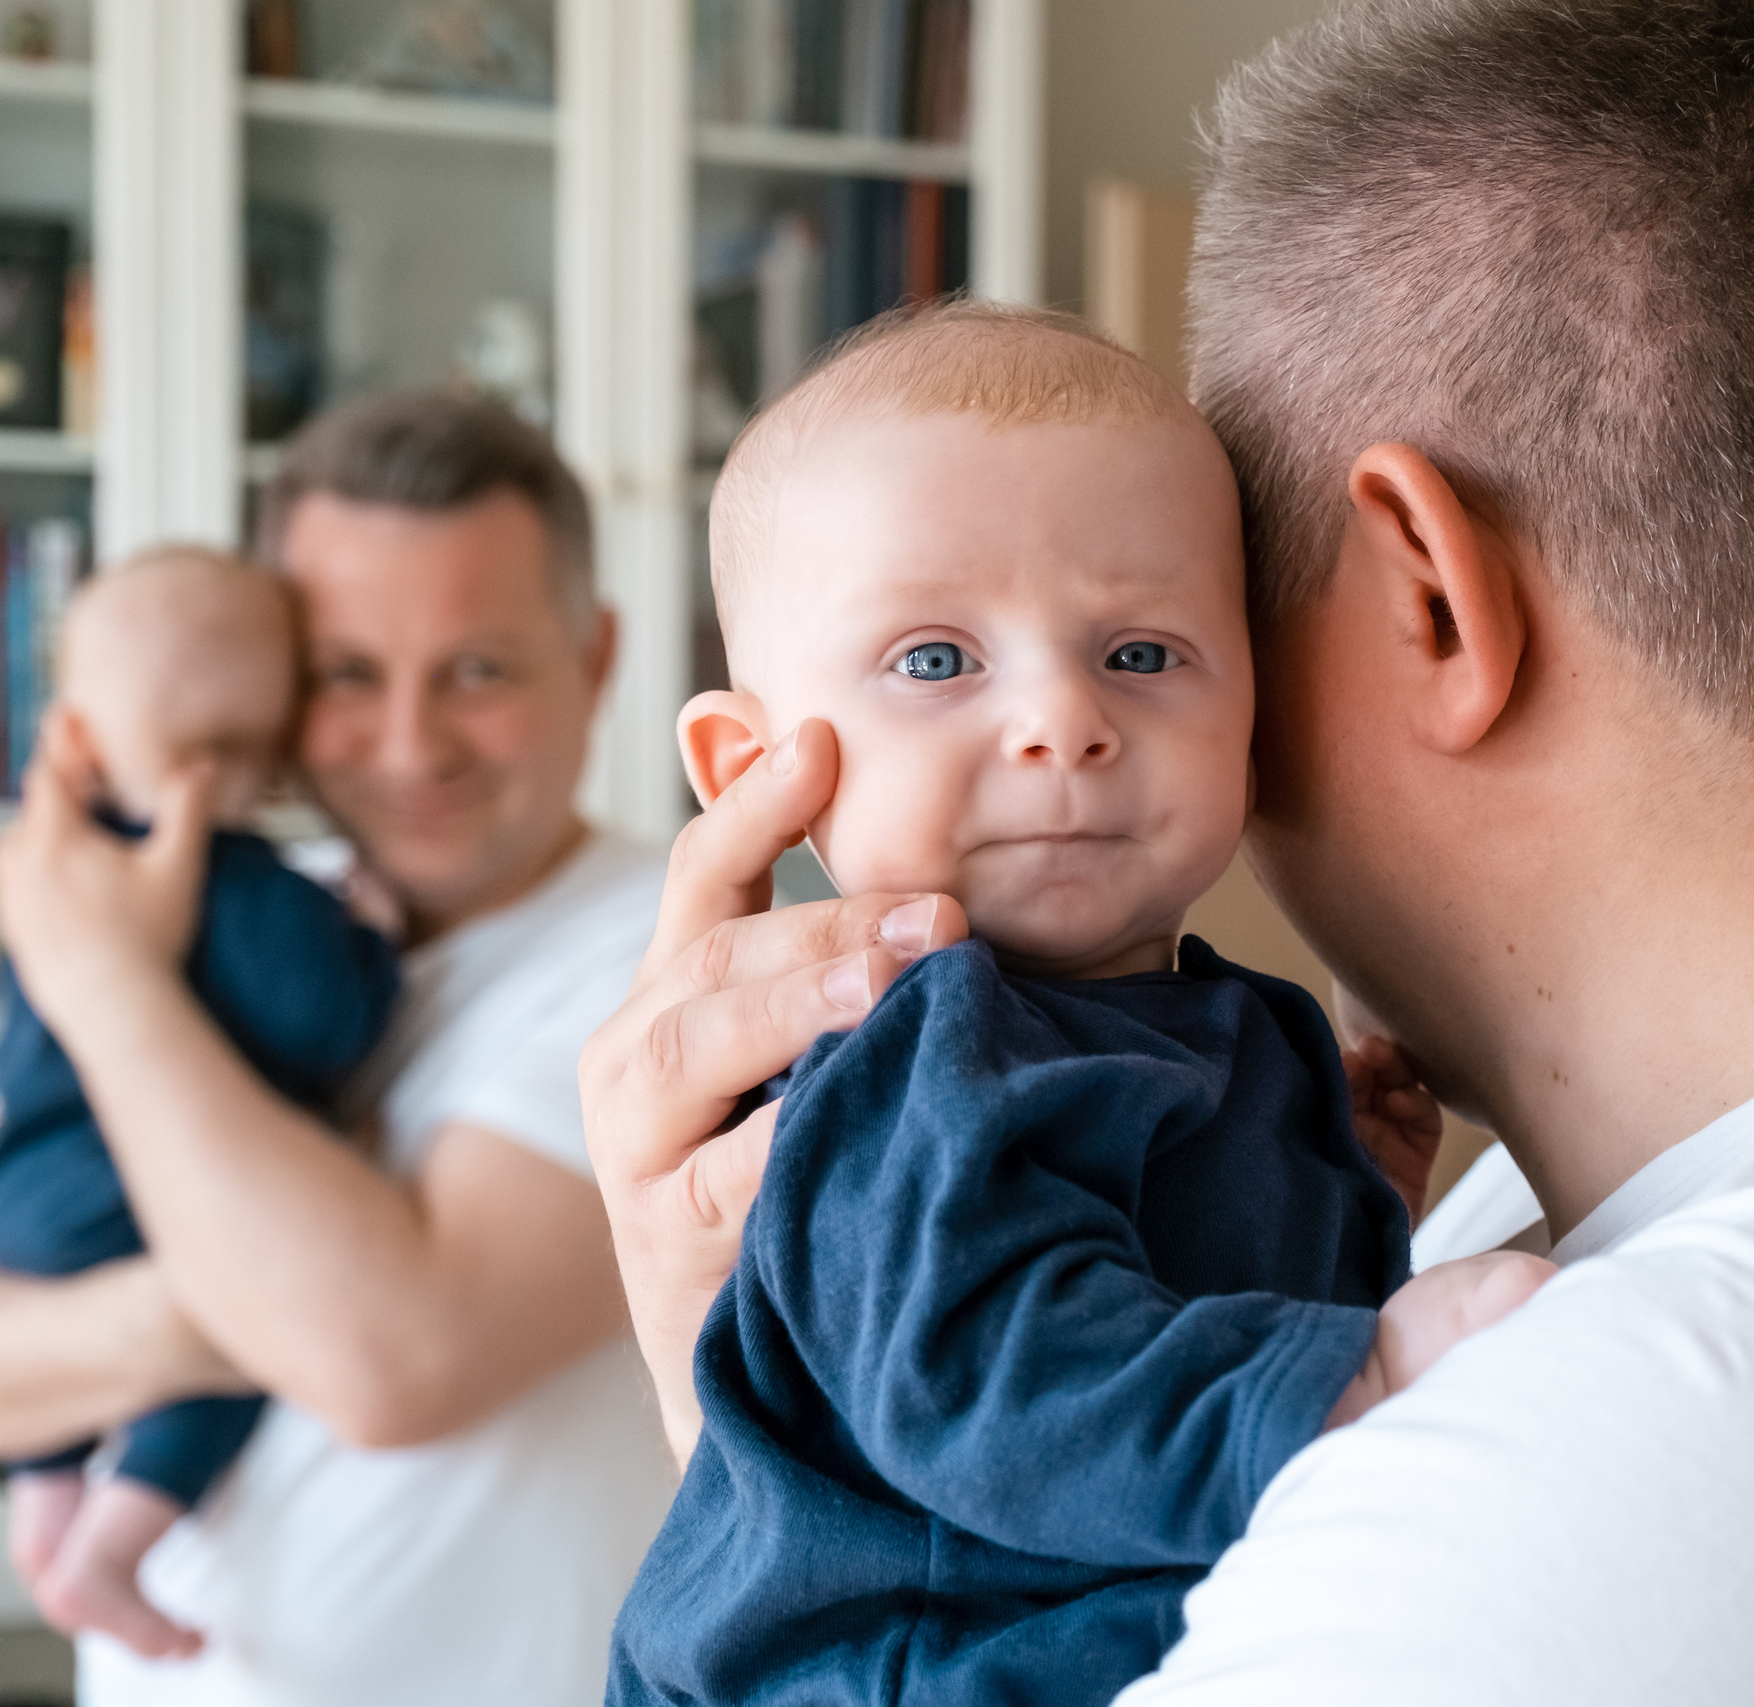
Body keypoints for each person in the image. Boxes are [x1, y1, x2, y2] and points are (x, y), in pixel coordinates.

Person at [577, 1, 1754, 1702]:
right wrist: (774, 1419)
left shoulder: (1686, 1437)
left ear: (1432, 595)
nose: (1074, 735)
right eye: (942, 659)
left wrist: (719, 1436)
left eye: (1179, 639)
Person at [604, 303, 1549, 1707]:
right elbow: (993, 1375)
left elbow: (1173, 1278)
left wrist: (1344, 1202)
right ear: (754, 763)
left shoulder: (1248, 1022)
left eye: (1142, 652)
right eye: (937, 660)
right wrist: (1362, 1360)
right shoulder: (913, 1047)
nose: (1064, 717)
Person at [0, 392, 677, 1707]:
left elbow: (391, 1360)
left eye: (481, 668)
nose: (411, 743)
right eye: (348, 672)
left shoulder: (680, 940)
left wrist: (105, 979)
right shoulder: (242, 912)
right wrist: (247, 1299)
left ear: (598, 658)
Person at [0, 547, 399, 1661]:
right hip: (118, 1190)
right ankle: (114, 1545)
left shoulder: (51, 874)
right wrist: (373, 944)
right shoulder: (254, 888)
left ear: (71, 739)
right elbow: (325, 1024)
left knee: (69, 1319)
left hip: (10, 1190)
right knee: (249, 1314)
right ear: (278, 746)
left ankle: (46, 1491)